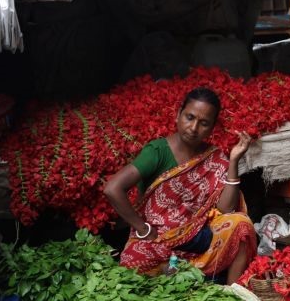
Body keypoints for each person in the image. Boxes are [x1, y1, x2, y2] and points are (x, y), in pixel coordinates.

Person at [104, 87, 256, 284]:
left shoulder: (214, 157)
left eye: (203, 123)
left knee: (241, 225)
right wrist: (143, 229)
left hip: (196, 241)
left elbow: (225, 208)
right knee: (133, 274)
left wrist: (234, 160)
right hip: (155, 241)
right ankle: (191, 276)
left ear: (211, 128)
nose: (193, 128)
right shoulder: (158, 152)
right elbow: (112, 188)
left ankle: (235, 296)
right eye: (189, 117)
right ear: (178, 115)